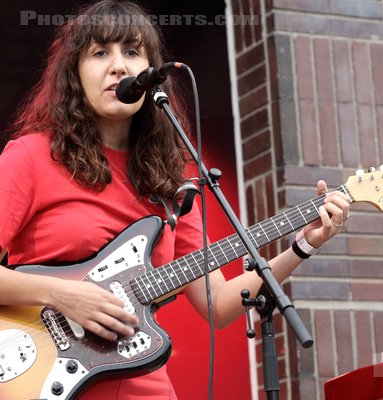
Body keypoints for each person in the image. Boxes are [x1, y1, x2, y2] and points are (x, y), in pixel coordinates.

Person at [0, 1, 350, 399]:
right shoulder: (31, 156)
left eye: (132, 52)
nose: (120, 66)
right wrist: (62, 294)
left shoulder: (172, 183)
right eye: (100, 53)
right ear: (74, 75)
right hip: (39, 380)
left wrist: (304, 244)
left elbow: (217, 304)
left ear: (150, 76)